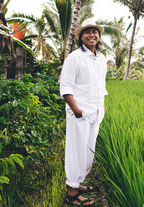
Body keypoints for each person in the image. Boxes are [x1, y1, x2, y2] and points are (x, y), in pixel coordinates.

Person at [60, 18, 108, 206]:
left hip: (95, 113)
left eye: (94, 32)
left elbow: (100, 86)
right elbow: (65, 88)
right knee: (76, 152)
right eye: (87, 32)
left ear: (99, 35)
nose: (91, 35)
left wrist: (101, 108)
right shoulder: (74, 58)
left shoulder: (101, 59)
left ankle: (78, 183)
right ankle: (72, 193)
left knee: (88, 152)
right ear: (81, 37)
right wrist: (76, 110)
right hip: (79, 114)